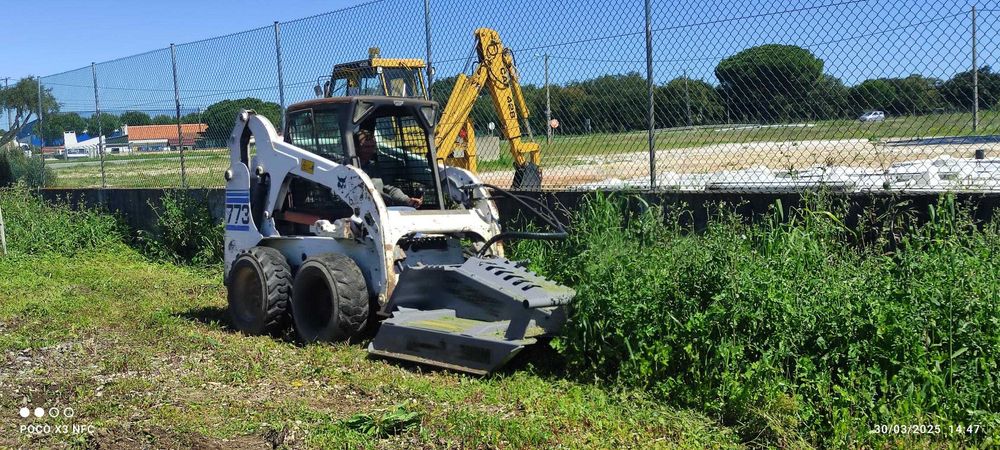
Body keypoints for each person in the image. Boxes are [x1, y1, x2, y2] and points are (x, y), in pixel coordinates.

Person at [356, 129, 423, 208]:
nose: (370, 150)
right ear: (356, 147)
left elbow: (389, 189)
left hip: (382, 208)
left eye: (372, 146)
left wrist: (407, 200)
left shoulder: (374, 168)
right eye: (366, 147)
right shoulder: (347, 168)